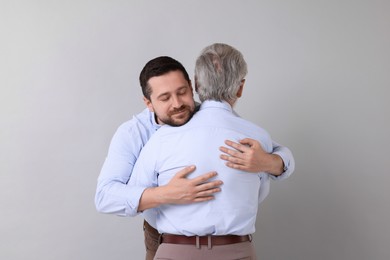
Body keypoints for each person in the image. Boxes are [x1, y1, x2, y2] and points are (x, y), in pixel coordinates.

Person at [95, 55, 294, 260]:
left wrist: (270, 162)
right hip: (163, 237)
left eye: (182, 92)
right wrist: (167, 194)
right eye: (165, 98)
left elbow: (277, 152)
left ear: (193, 86)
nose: (178, 104)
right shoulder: (134, 133)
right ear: (149, 103)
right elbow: (105, 197)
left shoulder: (210, 116)